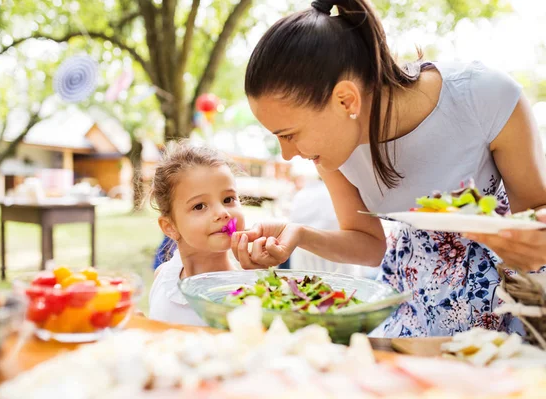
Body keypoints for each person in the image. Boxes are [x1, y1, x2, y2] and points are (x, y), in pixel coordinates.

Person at [232, 0, 546, 337]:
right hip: (407, 311)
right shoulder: (334, 144)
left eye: (290, 135)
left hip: (504, 310)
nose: (287, 154)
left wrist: (527, 242)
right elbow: (370, 245)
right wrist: (299, 235)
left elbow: (536, 215)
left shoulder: (482, 96)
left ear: (345, 100)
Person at [149, 143, 245, 326]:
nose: (223, 213)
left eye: (228, 199)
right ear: (170, 227)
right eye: (199, 206)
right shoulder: (163, 278)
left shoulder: (243, 295)